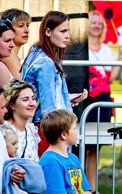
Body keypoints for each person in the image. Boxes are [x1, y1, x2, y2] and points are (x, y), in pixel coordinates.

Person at [21, 11, 88, 155]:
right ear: (48, 32)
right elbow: (49, 109)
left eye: (68, 31)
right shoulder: (46, 62)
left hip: (40, 127)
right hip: (46, 130)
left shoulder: (38, 53)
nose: (68, 36)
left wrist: (67, 98)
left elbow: (44, 94)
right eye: (63, 31)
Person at [80, 11, 122, 194]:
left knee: (95, 146)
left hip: (102, 99)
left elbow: (111, 77)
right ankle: (80, 187)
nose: (96, 26)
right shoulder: (80, 48)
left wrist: (120, 59)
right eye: (93, 22)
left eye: (100, 23)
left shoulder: (107, 50)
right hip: (85, 97)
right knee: (80, 143)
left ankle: (92, 187)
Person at [4, 81, 40, 162]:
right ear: (12, 105)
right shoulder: (4, 130)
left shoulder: (31, 130)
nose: (32, 103)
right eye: (25, 99)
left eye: (33, 98)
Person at [0, 9, 30, 80]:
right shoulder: (7, 55)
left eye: (27, 25)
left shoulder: (13, 55)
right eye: (21, 26)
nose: (27, 30)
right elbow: (23, 82)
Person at [0, 19, 16, 88]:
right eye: (7, 41)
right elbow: (6, 98)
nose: (12, 45)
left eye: (13, 40)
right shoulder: (0, 68)